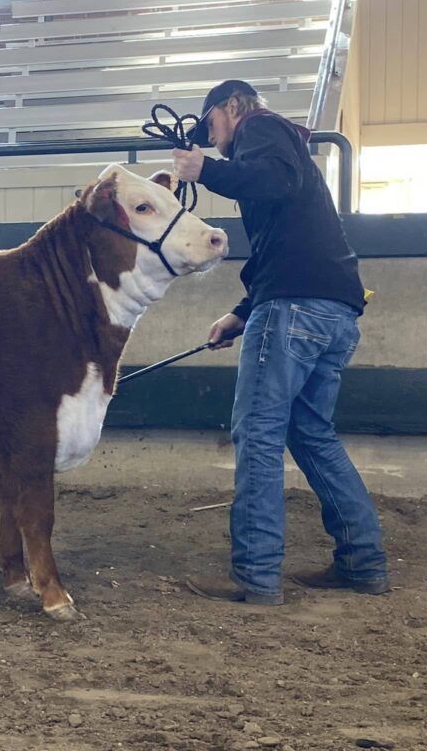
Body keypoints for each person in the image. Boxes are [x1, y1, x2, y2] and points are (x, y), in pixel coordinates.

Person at [172, 79, 389, 605]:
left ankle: (256, 574)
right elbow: (287, 240)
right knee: (311, 434)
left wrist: (206, 171)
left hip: (292, 307)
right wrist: (243, 312)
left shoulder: (260, 128)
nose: (211, 137)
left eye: (211, 123)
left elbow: (271, 182)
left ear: (231, 106)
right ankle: (363, 562)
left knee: (259, 433)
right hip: (333, 309)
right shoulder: (285, 145)